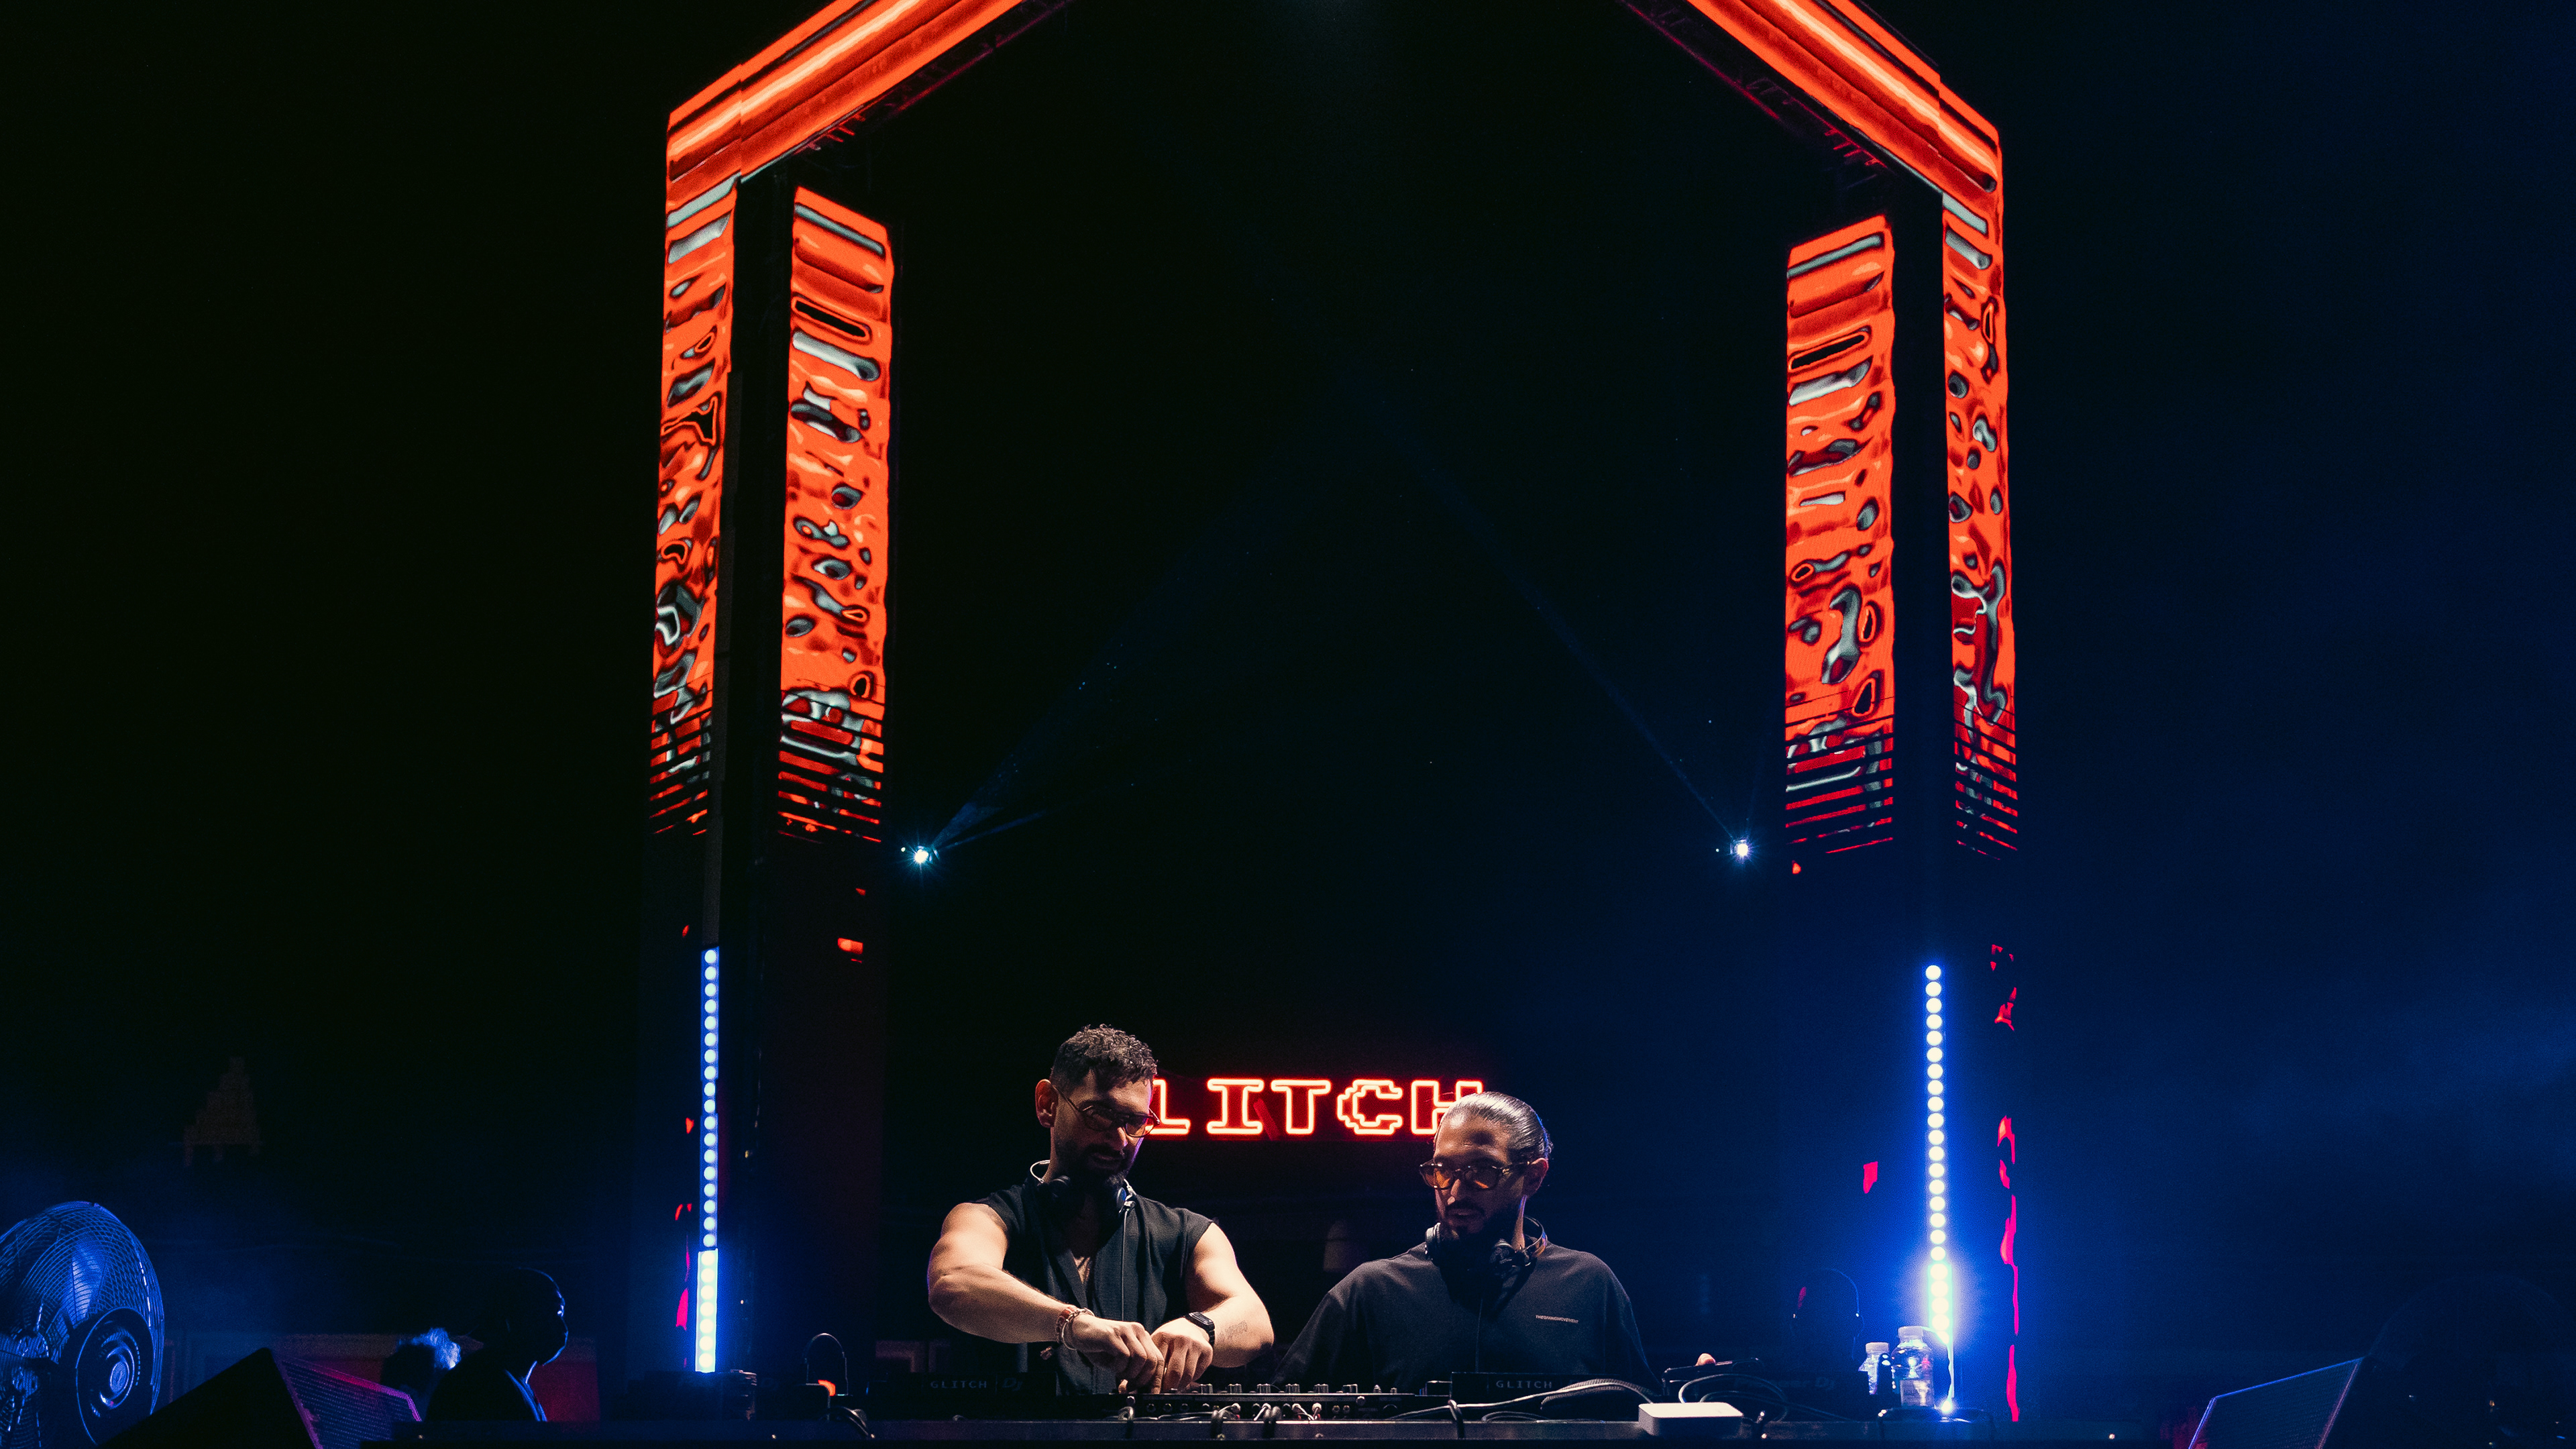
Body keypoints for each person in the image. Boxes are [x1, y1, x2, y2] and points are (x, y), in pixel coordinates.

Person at [927, 1026, 1273, 1393]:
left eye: (1135, 1121)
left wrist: (1201, 1328)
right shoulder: (987, 1218)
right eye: (1100, 1114)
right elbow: (953, 1282)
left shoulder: (1189, 1234)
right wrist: (1073, 1324)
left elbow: (1255, 1322)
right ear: (1048, 1104)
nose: (1120, 1139)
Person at [1277, 1091, 1650, 1392]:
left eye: (1481, 1171)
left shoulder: (1589, 1284)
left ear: (1533, 1177)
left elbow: (1642, 1412)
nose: (1455, 1191)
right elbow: (1279, 1413)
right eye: (1442, 1170)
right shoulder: (1371, 1290)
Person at [428, 1268, 566, 1421]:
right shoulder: (483, 1383)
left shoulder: (503, 1379)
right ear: (513, 1315)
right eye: (548, 1312)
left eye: (560, 1314)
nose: (562, 1328)